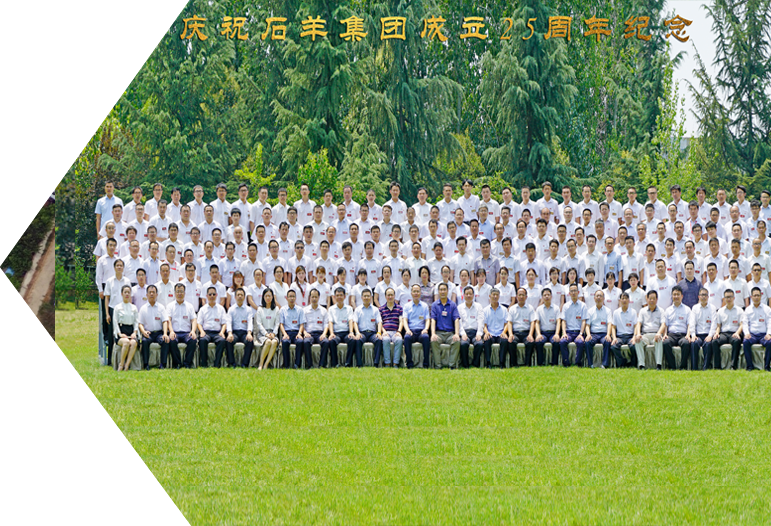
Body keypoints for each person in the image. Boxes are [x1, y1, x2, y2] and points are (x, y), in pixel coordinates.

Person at [708, 289, 744, 370]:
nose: (728, 299)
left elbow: (742, 324)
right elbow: (718, 325)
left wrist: (737, 333)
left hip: (734, 333)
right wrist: (717, 333)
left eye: (730, 297)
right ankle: (717, 366)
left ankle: (733, 366)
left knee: (737, 341)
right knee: (715, 341)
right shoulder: (720, 311)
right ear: (724, 298)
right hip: (724, 334)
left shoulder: (739, 310)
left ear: (734, 298)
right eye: (727, 297)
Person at [429, 282, 461, 369]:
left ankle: (452, 365)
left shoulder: (453, 305)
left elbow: (456, 319)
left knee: (457, 341)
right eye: (441, 290)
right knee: (434, 341)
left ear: (447, 291)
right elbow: (433, 320)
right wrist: (433, 334)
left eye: (444, 290)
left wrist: (456, 334)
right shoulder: (435, 305)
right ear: (438, 291)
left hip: (450, 333)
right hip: (439, 333)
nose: (442, 292)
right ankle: (438, 365)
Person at [137, 285, 169, 370]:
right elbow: (140, 324)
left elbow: (165, 321)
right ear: (146, 295)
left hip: (159, 333)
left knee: (165, 340)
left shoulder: (161, 307)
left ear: (157, 294)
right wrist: (143, 332)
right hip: (148, 333)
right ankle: (146, 364)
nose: (151, 294)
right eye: (150, 292)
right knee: (144, 341)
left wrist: (165, 334)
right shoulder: (143, 308)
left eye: (153, 292)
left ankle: (163, 364)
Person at [196, 286, 228, 368]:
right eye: (210, 294)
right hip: (206, 332)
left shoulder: (221, 309)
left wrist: (222, 332)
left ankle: (217, 364)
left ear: (216, 295)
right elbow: (199, 323)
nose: (212, 296)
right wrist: (202, 332)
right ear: (207, 296)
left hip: (217, 333)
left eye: (214, 294)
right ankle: (204, 364)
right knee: (202, 340)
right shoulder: (203, 309)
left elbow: (224, 323)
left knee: (222, 340)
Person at [661, 285, 692, 370]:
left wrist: (688, 335)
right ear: (672, 296)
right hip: (671, 335)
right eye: (674, 294)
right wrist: (665, 334)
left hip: (683, 334)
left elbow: (689, 324)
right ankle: (672, 366)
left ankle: (683, 367)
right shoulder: (668, 310)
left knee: (686, 343)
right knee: (666, 342)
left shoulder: (687, 309)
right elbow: (665, 324)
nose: (676, 296)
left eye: (678, 294)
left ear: (682, 296)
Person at [686, 288, 717, 371]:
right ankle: (694, 368)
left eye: (705, 295)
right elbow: (692, 323)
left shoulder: (712, 308)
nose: (703, 297)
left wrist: (710, 335)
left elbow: (714, 323)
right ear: (698, 296)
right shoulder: (695, 308)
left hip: (708, 334)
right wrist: (693, 335)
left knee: (708, 344)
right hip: (698, 335)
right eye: (702, 295)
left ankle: (705, 368)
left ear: (708, 297)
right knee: (694, 343)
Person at [166, 283, 196, 369]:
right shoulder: (170, 306)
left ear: (184, 293)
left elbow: (194, 320)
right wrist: (171, 331)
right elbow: (168, 320)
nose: (180, 293)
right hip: (175, 332)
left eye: (181, 291)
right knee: (172, 340)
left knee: (193, 340)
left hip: (186, 333)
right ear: (174, 293)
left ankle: (187, 363)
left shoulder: (190, 306)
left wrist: (193, 331)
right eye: (178, 291)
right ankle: (177, 364)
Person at [632, 290, 663, 370]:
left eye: (654, 298)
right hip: (645, 335)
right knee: (638, 340)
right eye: (650, 298)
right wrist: (638, 334)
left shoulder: (661, 310)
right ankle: (641, 365)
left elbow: (663, 324)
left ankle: (658, 365)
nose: (652, 300)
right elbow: (639, 323)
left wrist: (659, 333)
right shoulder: (642, 311)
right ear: (647, 299)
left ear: (657, 300)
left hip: (655, 334)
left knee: (659, 339)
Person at [741, 287, 771, 371]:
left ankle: (767, 366)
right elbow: (745, 323)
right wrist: (746, 333)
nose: (756, 297)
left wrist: (769, 334)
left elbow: (769, 322)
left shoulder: (767, 309)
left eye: (758, 295)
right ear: (751, 297)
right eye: (755, 295)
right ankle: (750, 366)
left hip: (763, 335)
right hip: (752, 335)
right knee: (745, 342)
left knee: (770, 342)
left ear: (761, 296)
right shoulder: (748, 309)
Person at [579, 290, 611, 368]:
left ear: (603, 298)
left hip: (604, 334)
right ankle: (590, 364)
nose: (598, 297)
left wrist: (608, 335)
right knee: (587, 342)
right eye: (597, 296)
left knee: (607, 341)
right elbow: (587, 325)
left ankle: (605, 364)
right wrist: (588, 334)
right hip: (594, 334)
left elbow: (609, 324)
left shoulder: (608, 310)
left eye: (600, 296)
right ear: (594, 298)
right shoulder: (590, 311)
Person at [402, 283, 431, 369]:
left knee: (426, 337)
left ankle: (426, 364)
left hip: (421, 330)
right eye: (414, 291)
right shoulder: (407, 306)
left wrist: (426, 329)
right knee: (406, 338)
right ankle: (409, 364)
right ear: (411, 293)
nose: (416, 293)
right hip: (411, 330)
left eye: (418, 291)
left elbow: (427, 320)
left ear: (420, 293)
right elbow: (405, 320)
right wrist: (407, 330)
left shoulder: (425, 306)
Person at [352, 289, 383, 367]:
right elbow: (355, 322)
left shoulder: (375, 309)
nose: (366, 298)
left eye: (368, 296)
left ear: (371, 297)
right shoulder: (358, 309)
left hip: (372, 333)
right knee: (357, 340)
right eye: (365, 296)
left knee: (379, 340)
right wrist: (357, 333)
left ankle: (376, 363)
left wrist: (379, 333)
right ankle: (359, 364)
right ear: (361, 297)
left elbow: (379, 322)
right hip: (362, 333)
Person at [326, 287, 356, 368]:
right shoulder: (331, 309)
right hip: (336, 333)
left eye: (341, 295)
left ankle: (348, 363)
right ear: (334, 297)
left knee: (352, 340)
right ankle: (335, 363)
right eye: (337, 295)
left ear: (345, 296)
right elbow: (330, 322)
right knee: (332, 341)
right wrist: (331, 333)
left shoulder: (349, 308)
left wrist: (351, 332)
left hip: (346, 333)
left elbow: (351, 321)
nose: (339, 297)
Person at [506, 287, 535, 367]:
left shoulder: (530, 308)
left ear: (526, 297)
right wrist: (510, 334)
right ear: (516, 296)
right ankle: (514, 364)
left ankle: (527, 364)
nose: (521, 297)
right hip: (515, 333)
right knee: (511, 342)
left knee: (530, 342)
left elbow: (533, 322)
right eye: (519, 295)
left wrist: (530, 334)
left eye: (523, 295)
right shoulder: (512, 309)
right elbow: (509, 322)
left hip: (526, 333)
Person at [558, 283, 586, 366]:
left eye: (575, 291)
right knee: (562, 341)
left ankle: (578, 362)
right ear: (569, 293)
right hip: (569, 332)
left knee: (580, 342)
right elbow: (563, 321)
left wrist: (581, 334)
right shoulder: (565, 306)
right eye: (571, 291)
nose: (573, 293)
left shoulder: (583, 305)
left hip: (578, 332)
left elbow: (584, 321)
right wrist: (564, 333)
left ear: (578, 292)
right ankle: (566, 362)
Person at [608, 292, 639, 369]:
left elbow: (636, 326)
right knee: (613, 346)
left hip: (630, 336)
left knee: (634, 346)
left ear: (629, 300)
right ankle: (622, 363)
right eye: (622, 298)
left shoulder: (633, 312)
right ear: (620, 300)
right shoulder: (616, 312)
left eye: (626, 298)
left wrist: (634, 337)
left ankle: (633, 364)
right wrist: (614, 338)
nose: (624, 300)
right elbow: (613, 327)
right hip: (620, 336)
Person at [112, 285, 139, 371]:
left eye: (128, 292)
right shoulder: (117, 307)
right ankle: (121, 364)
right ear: (121, 294)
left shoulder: (134, 307)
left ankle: (127, 365)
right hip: (121, 331)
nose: (127, 294)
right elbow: (115, 322)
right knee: (126, 342)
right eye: (125, 292)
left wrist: (135, 332)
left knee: (133, 343)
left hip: (131, 331)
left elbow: (136, 321)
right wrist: (119, 334)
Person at [279, 290, 308, 369]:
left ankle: (297, 364)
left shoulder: (300, 310)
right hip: (287, 332)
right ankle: (286, 365)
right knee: (285, 342)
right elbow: (281, 324)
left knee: (300, 342)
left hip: (296, 332)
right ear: (287, 298)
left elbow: (301, 324)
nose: (292, 298)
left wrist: (299, 333)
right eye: (290, 296)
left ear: (295, 298)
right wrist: (284, 334)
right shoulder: (282, 310)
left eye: (293, 296)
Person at [301, 288, 330, 369]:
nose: (314, 299)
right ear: (309, 297)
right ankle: (309, 365)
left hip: (320, 333)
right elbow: (302, 324)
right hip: (309, 333)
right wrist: (305, 333)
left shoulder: (323, 310)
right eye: (312, 297)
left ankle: (322, 365)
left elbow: (326, 324)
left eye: (316, 297)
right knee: (306, 342)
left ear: (319, 297)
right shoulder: (305, 310)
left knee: (326, 342)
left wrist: (324, 334)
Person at [226, 288, 254, 368]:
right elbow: (229, 322)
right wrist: (230, 333)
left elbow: (250, 322)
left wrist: (249, 333)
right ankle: (231, 363)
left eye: (241, 295)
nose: (240, 296)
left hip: (245, 333)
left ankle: (245, 364)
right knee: (228, 341)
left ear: (244, 297)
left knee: (250, 341)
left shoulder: (248, 309)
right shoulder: (231, 309)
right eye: (238, 295)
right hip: (234, 332)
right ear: (235, 297)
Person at [255, 288, 281, 370]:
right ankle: (261, 364)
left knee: (274, 342)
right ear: (263, 297)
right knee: (268, 341)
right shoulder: (260, 309)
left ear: (272, 297)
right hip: (263, 333)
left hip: (273, 332)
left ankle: (266, 364)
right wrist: (266, 334)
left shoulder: (276, 309)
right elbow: (259, 324)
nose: (268, 298)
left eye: (269, 296)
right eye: (266, 296)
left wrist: (274, 333)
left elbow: (277, 323)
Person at [379, 288, 403, 367]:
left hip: (396, 332)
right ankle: (387, 363)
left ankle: (396, 363)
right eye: (388, 295)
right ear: (385, 296)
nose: (390, 297)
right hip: (385, 332)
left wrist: (399, 331)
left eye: (391, 295)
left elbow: (401, 321)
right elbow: (379, 322)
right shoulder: (381, 309)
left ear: (394, 296)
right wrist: (384, 331)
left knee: (399, 340)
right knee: (385, 340)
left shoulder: (399, 308)